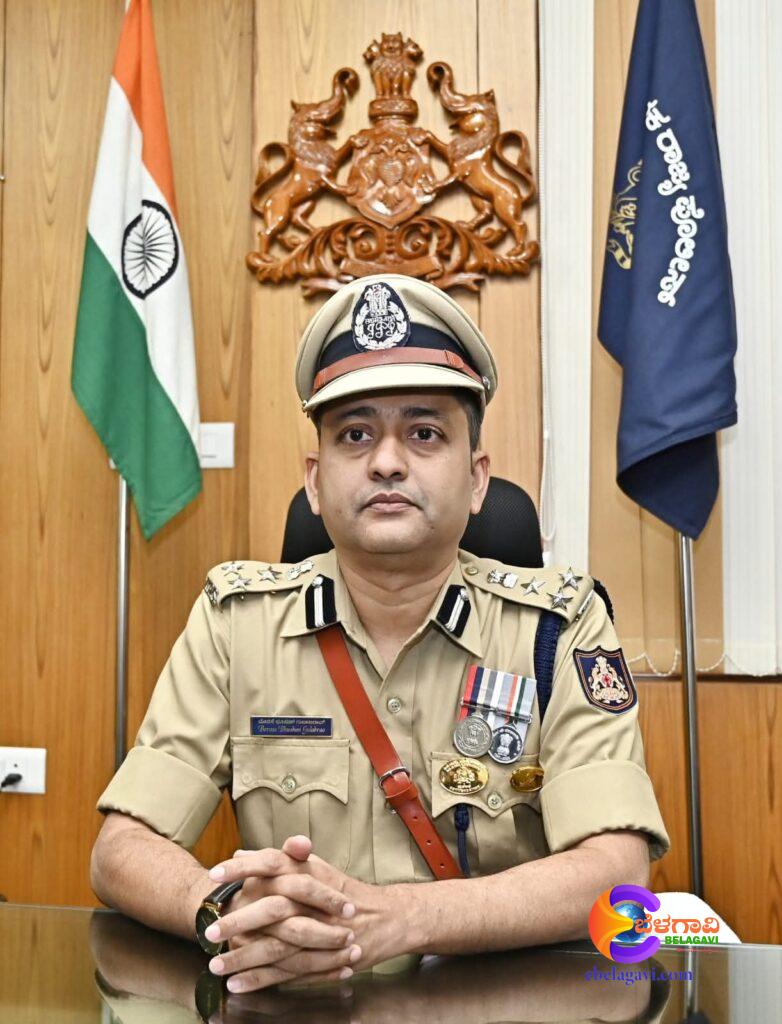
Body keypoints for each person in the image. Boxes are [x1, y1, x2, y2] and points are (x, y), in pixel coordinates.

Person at [91, 274, 670, 994]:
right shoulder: (237, 622)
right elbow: (121, 848)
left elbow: (617, 874)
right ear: (314, 480)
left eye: (424, 433)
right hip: (295, 1006)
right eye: (355, 434)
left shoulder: (557, 627)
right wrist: (224, 911)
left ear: (478, 478)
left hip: (496, 1004)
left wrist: (403, 919)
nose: (387, 461)